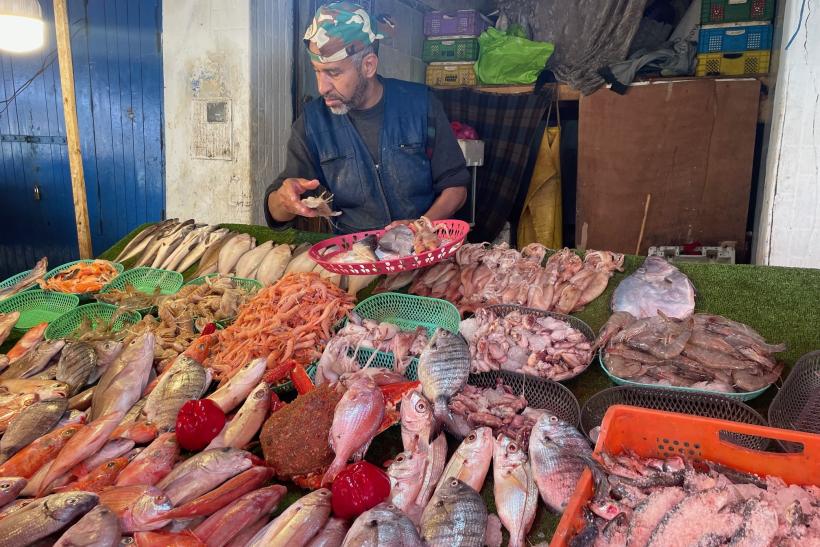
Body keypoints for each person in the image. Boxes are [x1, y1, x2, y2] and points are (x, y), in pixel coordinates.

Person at [264, 1, 470, 234]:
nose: (322, 87)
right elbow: (276, 213)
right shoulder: (312, 123)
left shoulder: (421, 105)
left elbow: (455, 187)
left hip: (422, 252)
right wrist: (283, 200)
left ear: (368, 65)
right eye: (317, 71)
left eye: (333, 72)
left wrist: (420, 226)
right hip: (356, 257)